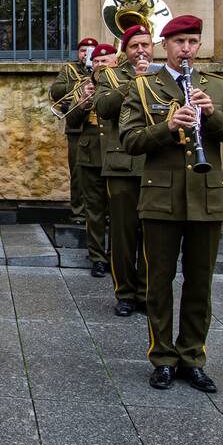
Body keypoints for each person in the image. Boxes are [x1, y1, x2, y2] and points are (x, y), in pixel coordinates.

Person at [120, 14, 223, 394]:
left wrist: (214, 116)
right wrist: (168, 126)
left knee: (199, 284)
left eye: (193, 41)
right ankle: (162, 358)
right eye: (179, 42)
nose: (186, 49)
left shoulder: (218, 87)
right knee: (158, 284)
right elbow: (129, 141)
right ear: (166, 46)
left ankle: (192, 357)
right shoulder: (144, 87)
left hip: (207, 198)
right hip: (160, 198)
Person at [94, 26, 152, 315]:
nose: (141, 50)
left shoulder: (163, 75)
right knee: (124, 235)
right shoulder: (111, 75)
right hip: (122, 165)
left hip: (155, 165)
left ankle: (146, 291)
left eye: (145, 44)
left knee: (153, 235)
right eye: (134, 46)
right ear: (125, 51)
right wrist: (135, 83)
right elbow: (103, 107)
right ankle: (125, 293)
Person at [66, 43, 118, 277]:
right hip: (90, 155)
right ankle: (97, 256)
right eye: (96, 61)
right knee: (94, 211)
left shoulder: (124, 84)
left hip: (117, 154)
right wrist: (83, 101)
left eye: (105, 61)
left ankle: (117, 256)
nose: (100, 65)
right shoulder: (83, 86)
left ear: (115, 62)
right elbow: (72, 122)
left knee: (119, 212)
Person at [49, 37, 98, 224]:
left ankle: (102, 213)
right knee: (78, 174)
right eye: (84, 50)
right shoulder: (69, 70)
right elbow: (56, 91)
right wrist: (82, 83)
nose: (87, 54)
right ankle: (79, 213)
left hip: (98, 128)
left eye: (91, 50)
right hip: (77, 129)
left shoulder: (105, 70)